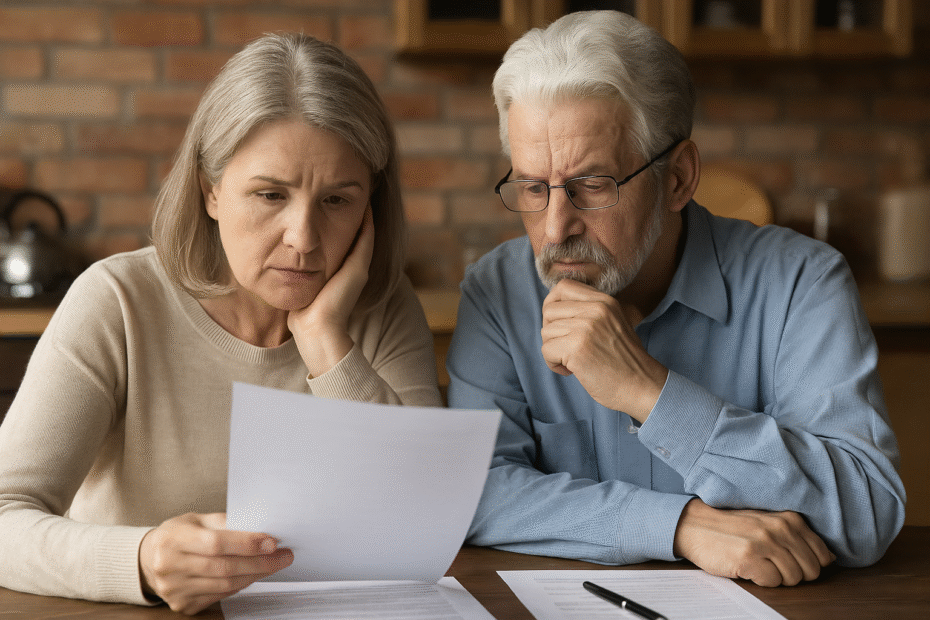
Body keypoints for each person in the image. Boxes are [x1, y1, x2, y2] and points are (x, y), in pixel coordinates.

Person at [447, 10, 905, 588]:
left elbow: (866, 512)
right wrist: (679, 525)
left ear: (679, 178)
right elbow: (471, 493)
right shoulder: (496, 293)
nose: (556, 227)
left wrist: (647, 390)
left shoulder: (801, 282)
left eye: (592, 185)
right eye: (534, 187)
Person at [0, 33, 441, 614]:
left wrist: (326, 343)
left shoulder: (381, 305)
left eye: (337, 201)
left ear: (370, 208)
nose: (304, 239)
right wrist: (142, 560)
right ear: (211, 191)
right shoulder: (117, 302)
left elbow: (425, 517)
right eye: (270, 195)